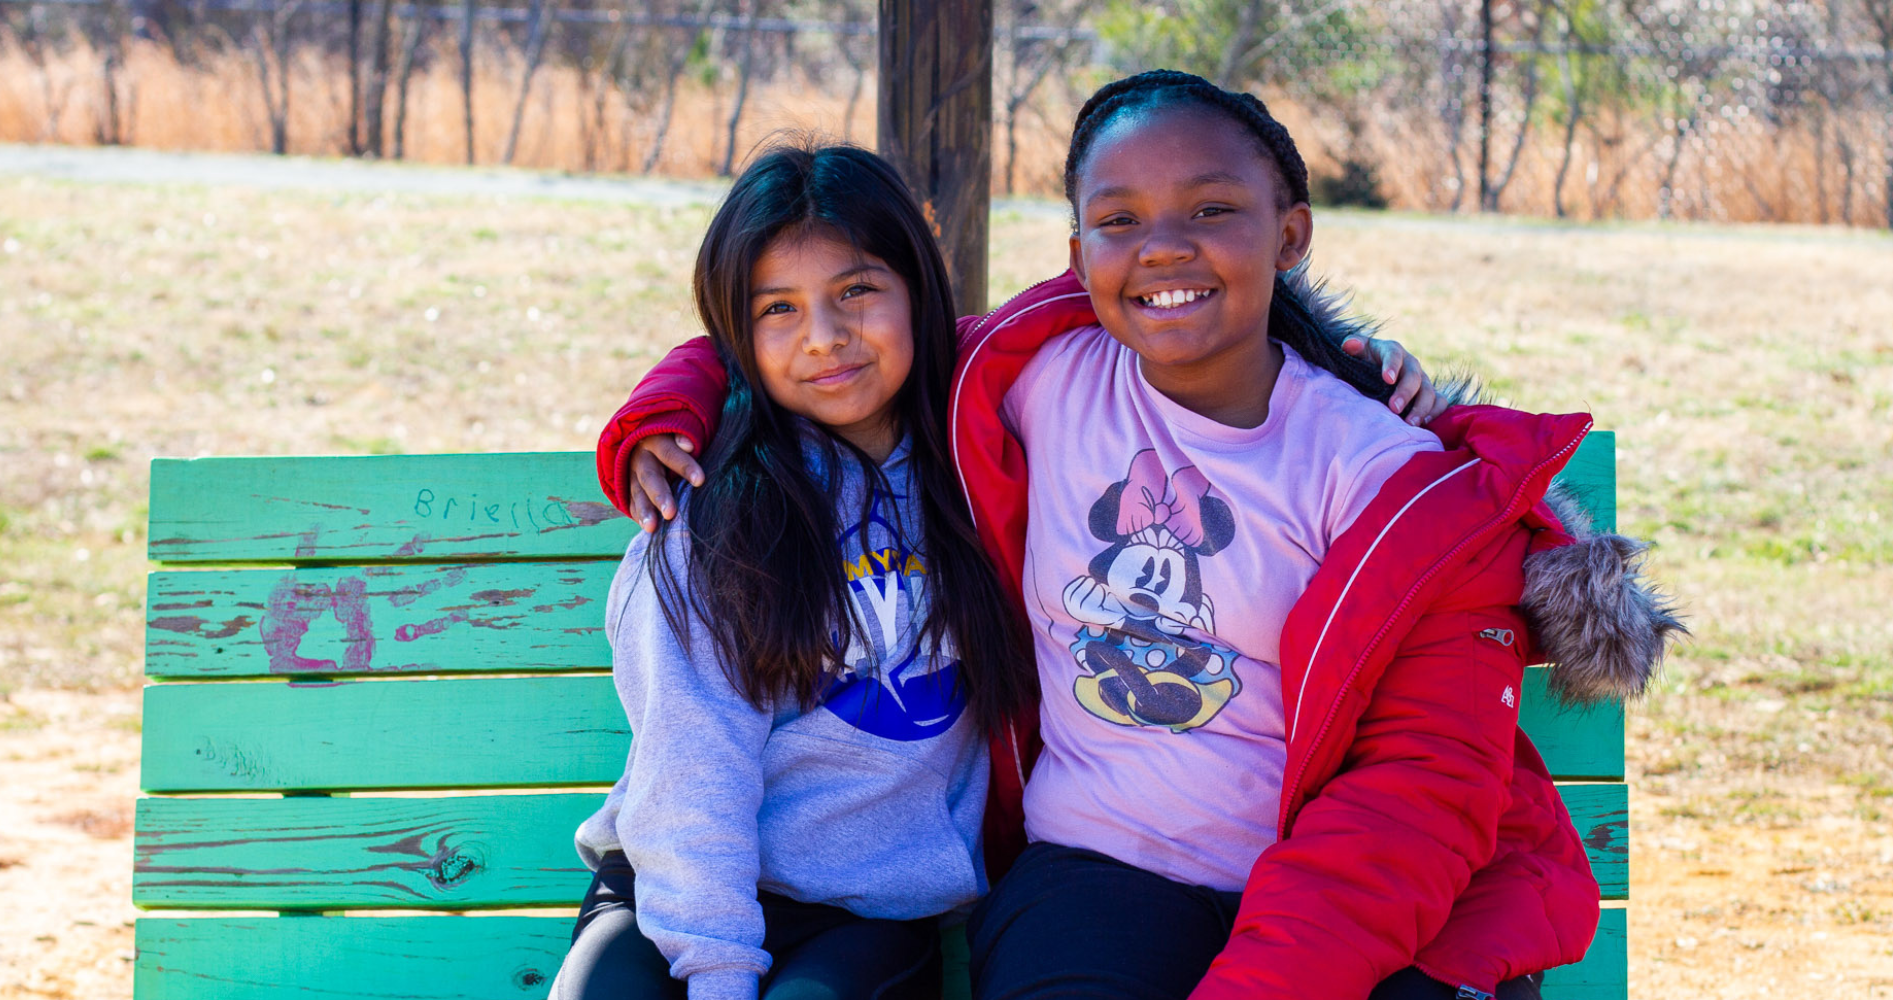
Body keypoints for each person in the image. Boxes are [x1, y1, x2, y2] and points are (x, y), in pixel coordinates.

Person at [594, 72, 1682, 1000]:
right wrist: (675, 408)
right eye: (1118, 221)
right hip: (1090, 877)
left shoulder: (1392, 480)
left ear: (1289, 232)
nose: (1162, 249)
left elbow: (1417, 794)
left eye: (1211, 210)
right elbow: (826, 335)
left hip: (1349, 902)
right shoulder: (1030, 380)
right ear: (1078, 251)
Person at [552, 142, 1042, 1000]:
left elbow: (1129, 312)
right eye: (777, 307)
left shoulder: (984, 460)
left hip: (868, 913)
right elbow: (690, 767)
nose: (825, 337)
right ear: (737, 331)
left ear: (919, 291)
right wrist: (719, 974)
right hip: (671, 896)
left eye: (856, 290)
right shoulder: (712, 513)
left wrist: (1344, 357)